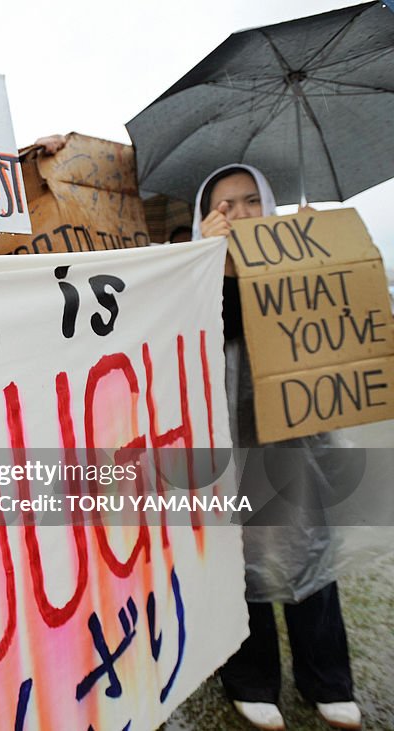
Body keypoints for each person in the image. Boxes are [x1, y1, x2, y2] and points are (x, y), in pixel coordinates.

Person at [194, 164, 361, 731]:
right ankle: (250, 678)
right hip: (228, 441)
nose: (238, 214)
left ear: (270, 208)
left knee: (308, 543)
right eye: (224, 205)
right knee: (238, 556)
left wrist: (322, 256)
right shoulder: (189, 271)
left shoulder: (300, 260)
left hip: (295, 436)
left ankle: (328, 680)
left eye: (249, 202)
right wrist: (203, 267)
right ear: (205, 217)